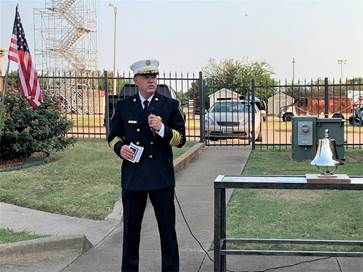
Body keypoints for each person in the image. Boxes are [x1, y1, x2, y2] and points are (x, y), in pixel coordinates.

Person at [108, 59, 186, 272]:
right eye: (146, 77)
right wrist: (120, 148)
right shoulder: (124, 107)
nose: (151, 80)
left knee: (167, 231)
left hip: (161, 178)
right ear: (136, 81)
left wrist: (162, 128)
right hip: (134, 178)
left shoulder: (169, 105)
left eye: (154, 76)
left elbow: (181, 140)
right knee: (131, 232)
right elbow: (112, 136)